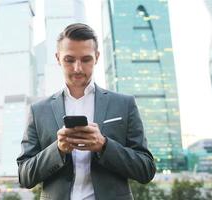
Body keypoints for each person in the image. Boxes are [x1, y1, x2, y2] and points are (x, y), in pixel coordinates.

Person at [17, 23, 156, 200]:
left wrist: (104, 145)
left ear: (97, 57)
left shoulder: (124, 104)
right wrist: (58, 150)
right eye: (69, 59)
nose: (77, 68)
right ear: (58, 58)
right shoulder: (39, 111)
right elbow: (24, 175)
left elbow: (146, 170)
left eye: (86, 59)